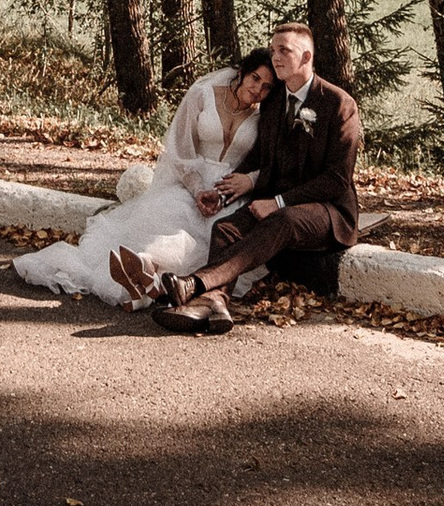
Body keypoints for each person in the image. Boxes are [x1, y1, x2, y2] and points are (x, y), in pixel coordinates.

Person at [121, 22, 360, 334]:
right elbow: (257, 158)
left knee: (283, 219)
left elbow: (336, 179)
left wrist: (278, 201)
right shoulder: (273, 103)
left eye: (284, 50)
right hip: (277, 202)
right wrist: (223, 193)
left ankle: (194, 283)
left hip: (326, 211)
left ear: (306, 57)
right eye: (273, 49)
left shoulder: (338, 104)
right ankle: (214, 302)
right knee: (226, 227)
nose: (275, 56)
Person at [13, 50, 277, 308]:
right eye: (255, 78)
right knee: (175, 216)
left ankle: (144, 282)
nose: (258, 90)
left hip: (230, 191)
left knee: (213, 235)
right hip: (190, 181)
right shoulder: (203, 94)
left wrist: (246, 182)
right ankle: (145, 271)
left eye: (266, 87)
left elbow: (269, 161)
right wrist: (197, 188)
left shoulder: (265, 114)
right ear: (241, 73)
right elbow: (179, 149)